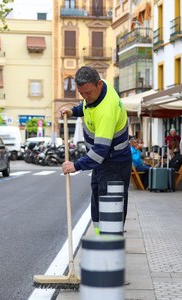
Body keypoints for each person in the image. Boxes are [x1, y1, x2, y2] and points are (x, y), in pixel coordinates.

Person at [60, 66, 131, 234]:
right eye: (81, 93)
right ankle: (101, 241)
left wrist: (75, 166)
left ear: (99, 84)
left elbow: (100, 151)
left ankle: (110, 246)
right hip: (104, 163)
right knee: (98, 203)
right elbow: (86, 106)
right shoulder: (99, 89)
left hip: (115, 163)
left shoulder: (106, 111)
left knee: (111, 210)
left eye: (88, 93)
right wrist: (73, 111)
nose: (85, 97)